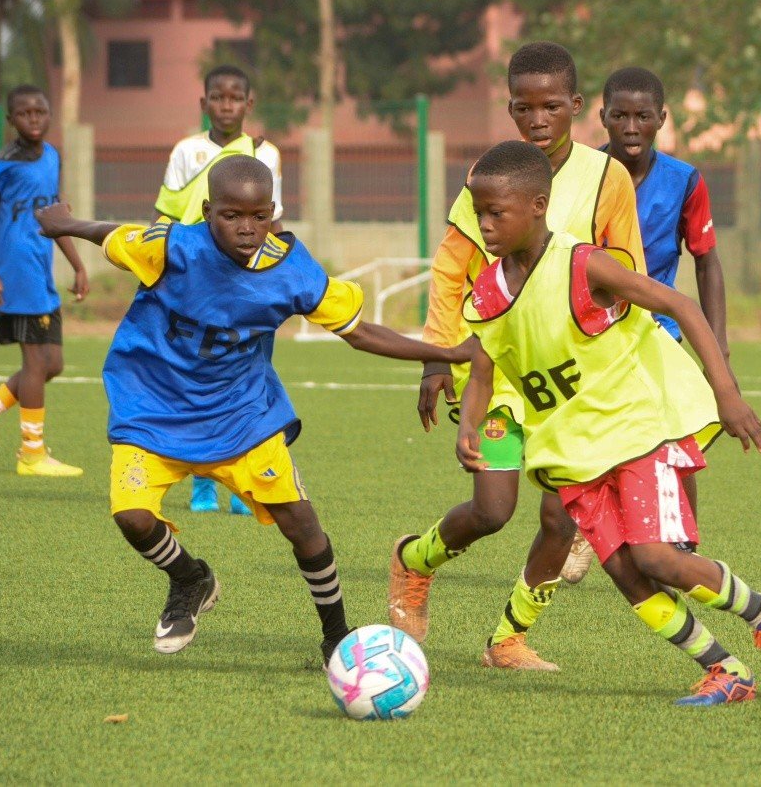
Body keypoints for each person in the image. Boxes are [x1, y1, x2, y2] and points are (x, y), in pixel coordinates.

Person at [34, 155, 473, 660]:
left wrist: (444, 353)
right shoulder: (170, 247)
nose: (247, 228)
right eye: (232, 216)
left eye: (259, 216)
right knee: (132, 517)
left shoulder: (292, 271)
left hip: (241, 416)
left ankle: (336, 637)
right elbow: (112, 234)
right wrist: (66, 223)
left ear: (273, 213)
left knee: (301, 523)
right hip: (152, 408)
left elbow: (360, 332)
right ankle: (190, 579)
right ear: (207, 211)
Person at [456, 140, 761, 706]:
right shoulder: (489, 292)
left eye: (496, 212)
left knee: (656, 557)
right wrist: (469, 424)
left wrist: (726, 393)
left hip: (637, 432)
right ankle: (725, 670)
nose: (485, 225)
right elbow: (483, 364)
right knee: (626, 572)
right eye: (479, 213)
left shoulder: (582, 264)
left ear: (538, 206)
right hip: (573, 454)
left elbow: (680, 305)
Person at [388, 41, 644, 671]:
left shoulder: (607, 178)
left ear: (575, 106)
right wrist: (435, 359)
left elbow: (628, 269)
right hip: (501, 374)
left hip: (573, 381)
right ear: (509, 110)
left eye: (550, 107)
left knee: (561, 516)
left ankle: (507, 640)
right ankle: (413, 561)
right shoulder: (491, 175)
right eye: (524, 108)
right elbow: (451, 269)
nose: (538, 120)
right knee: (492, 510)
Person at [557, 66, 735, 583]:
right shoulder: (581, 174)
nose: (631, 127)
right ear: (602, 117)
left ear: (662, 118)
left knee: (676, 438)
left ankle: (681, 548)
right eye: (620, 116)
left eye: (643, 116)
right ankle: (585, 529)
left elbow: (707, 261)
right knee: (592, 438)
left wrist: (718, 347)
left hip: (658, 331)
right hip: (592, 331)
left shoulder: (685, 181)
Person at [156, 64, 284, 515]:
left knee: (251, 375)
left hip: (248, 280)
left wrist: (277, 275)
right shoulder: (186, 151)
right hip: (197, 279)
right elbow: (166, 215)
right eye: (217, 97)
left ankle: (242, 484)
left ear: (249, 104)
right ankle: (202, 484)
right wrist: (157, 269)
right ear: (204, 102)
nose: (226, 105)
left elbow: (273, 218)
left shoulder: (266, 154)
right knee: (201, 377)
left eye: (234, 98)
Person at [0, 84, 89, 477]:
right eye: (25, 113)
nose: (34, 119)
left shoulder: (52, 157)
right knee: (36, 362)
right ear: (11, 120)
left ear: (50, 115)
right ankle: (32, 454)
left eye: (40, 112)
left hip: (41, 271)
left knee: (52, 363)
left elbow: (53, 216)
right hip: (15, 272)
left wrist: (77, 264)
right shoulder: (4, 164)